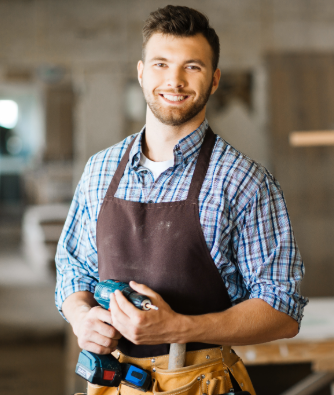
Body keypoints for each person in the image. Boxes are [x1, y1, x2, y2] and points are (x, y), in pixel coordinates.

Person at [55, 5, 308, 395]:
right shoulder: (100, 170)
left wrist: (181, 328)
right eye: (160, 64)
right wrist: (81, 316)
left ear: (214, 79)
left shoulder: (244, 181)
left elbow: (282, 309)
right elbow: (73, 268)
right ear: (141, 73)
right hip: (113, 382)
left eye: (192, 66)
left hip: (202, 382)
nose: (174, 80)